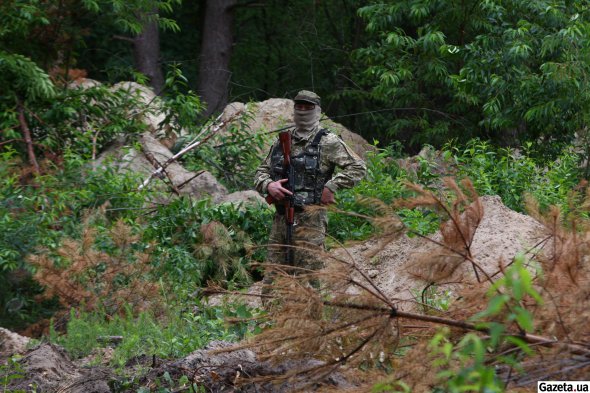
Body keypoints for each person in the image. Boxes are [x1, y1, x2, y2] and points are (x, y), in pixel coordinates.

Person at [254, 90, 366, 290]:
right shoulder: (282, 141)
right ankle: (274, 320)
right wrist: (268, 185)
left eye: (308, 107)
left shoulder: (328, 141)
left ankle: (313, 320)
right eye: (299, 107)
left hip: (311, 220)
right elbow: (261, 171)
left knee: (311, 280)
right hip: (280, 220)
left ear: (318, 110)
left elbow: (358, 168)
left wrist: (331, 186)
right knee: (274, 280)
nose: (303, 111)